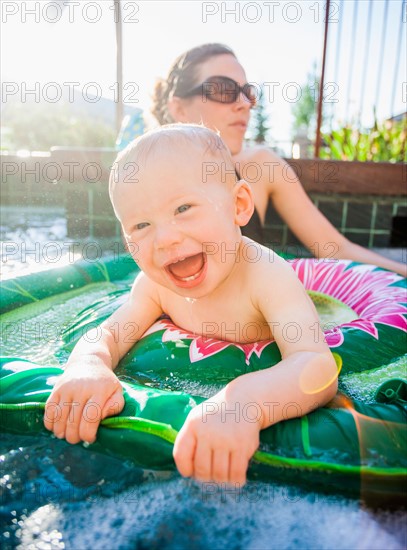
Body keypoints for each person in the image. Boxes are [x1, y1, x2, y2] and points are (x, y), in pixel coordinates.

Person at [44, 124, 338, 485]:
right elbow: (109, 334)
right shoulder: (155, 285)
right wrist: (88, 364)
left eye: (183, 208)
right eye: (141, 225)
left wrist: (243, 403)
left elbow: (316, 364)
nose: (165, 238)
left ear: (238, 205)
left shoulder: (267, 276)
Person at [152, 43, 406, 277]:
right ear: (179, 108)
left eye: (247, 93)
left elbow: (334, 248)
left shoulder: (260, 165)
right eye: (223, 90)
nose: (244, 104)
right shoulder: (145, 174)